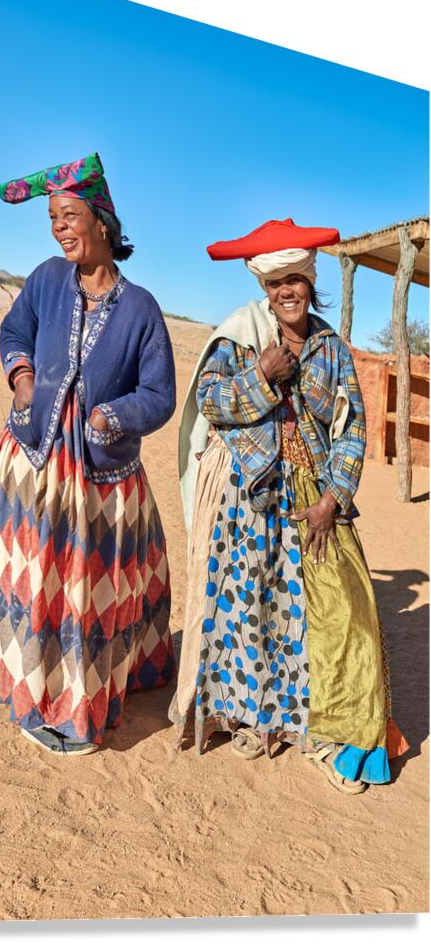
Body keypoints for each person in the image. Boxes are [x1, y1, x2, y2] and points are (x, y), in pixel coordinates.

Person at [171, 218, 408, 792]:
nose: (288, 292)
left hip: (314, 497)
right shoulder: (241, 336)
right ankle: (254, 719)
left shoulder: (330, 347)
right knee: (248, 605)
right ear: (265, 289)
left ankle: (332, 732)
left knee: (343, 614)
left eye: (297, 279)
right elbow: (211, 401)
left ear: (311, 281)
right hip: (250, 491)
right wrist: (260, 374)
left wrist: (334, 497)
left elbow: (353, 429)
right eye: (278, 283)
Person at [0, 151, 176, 755]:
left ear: (102, 222)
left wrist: (110, 416)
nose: (60, 228)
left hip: (101, 473)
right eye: (52, 220)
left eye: (68, 215)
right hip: (34, 456)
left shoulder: (140, 307)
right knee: (36, 578)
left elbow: (160, 393)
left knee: (87, 591)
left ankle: (79, 706)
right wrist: (22, 380)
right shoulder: (45, 278)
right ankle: (33, 688)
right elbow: (14, 332)